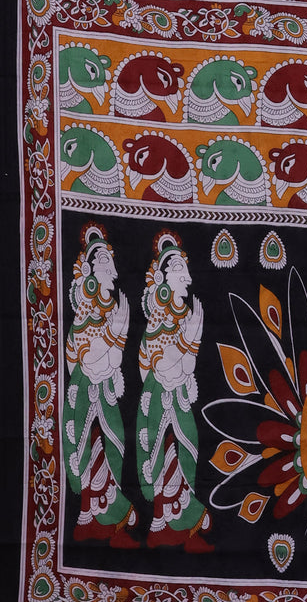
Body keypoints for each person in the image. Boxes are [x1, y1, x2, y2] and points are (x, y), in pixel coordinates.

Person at [136, 231, 213, 551]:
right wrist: (188, 341)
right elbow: (160, 363)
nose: (188, 279)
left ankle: (181, 526)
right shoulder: (159, 318)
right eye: (182, 273)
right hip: (160, 398)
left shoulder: (184, 316)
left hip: (178, 396)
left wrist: (191, 343)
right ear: (165, 279)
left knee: (185, 448)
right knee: (164, 452)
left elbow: (186, 365)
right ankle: (163, 524)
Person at [63, 223, 138, 547]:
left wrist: (116, 339)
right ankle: (90, 520)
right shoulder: (86, 312)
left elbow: (112, 359)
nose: (114, 272)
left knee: (114, 444)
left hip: (105, 392)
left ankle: (108, 520)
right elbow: (87, 357)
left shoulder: (111, 309)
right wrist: (115, 335)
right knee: (91, 447)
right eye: (107, 266)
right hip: (87, 394)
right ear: (92, 273)